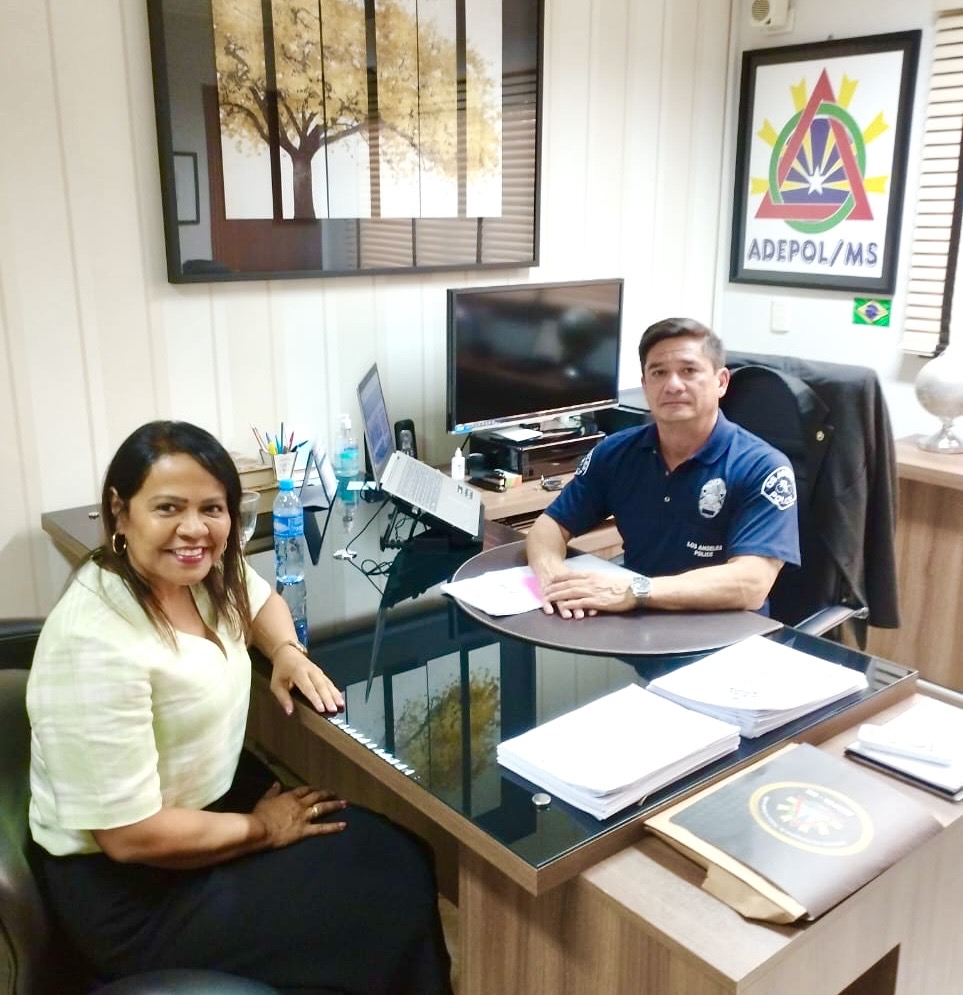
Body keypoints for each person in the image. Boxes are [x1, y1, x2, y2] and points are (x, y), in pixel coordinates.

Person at [27, 421, 453, 995]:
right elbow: (129, 837)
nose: (194, 528)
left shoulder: (201, 570)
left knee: (398, 854)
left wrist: (285, 651)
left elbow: (262, 601)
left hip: (202, 811)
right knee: (383, 889)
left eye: (212, 508)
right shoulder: (94, 641)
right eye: (168, 508)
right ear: (120, 512)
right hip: (135, 891)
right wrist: (262, 829)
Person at [526, 317, 800, 619]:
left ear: (721, 382)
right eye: (659, 373)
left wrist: (636, 591)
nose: (672, 385)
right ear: (645, 386)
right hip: (637, 623)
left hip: (725, 633)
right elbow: (550, 526)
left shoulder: (762, 467)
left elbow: (752, 584)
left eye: (689, 370)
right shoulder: (616, 453)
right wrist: (553, 578)